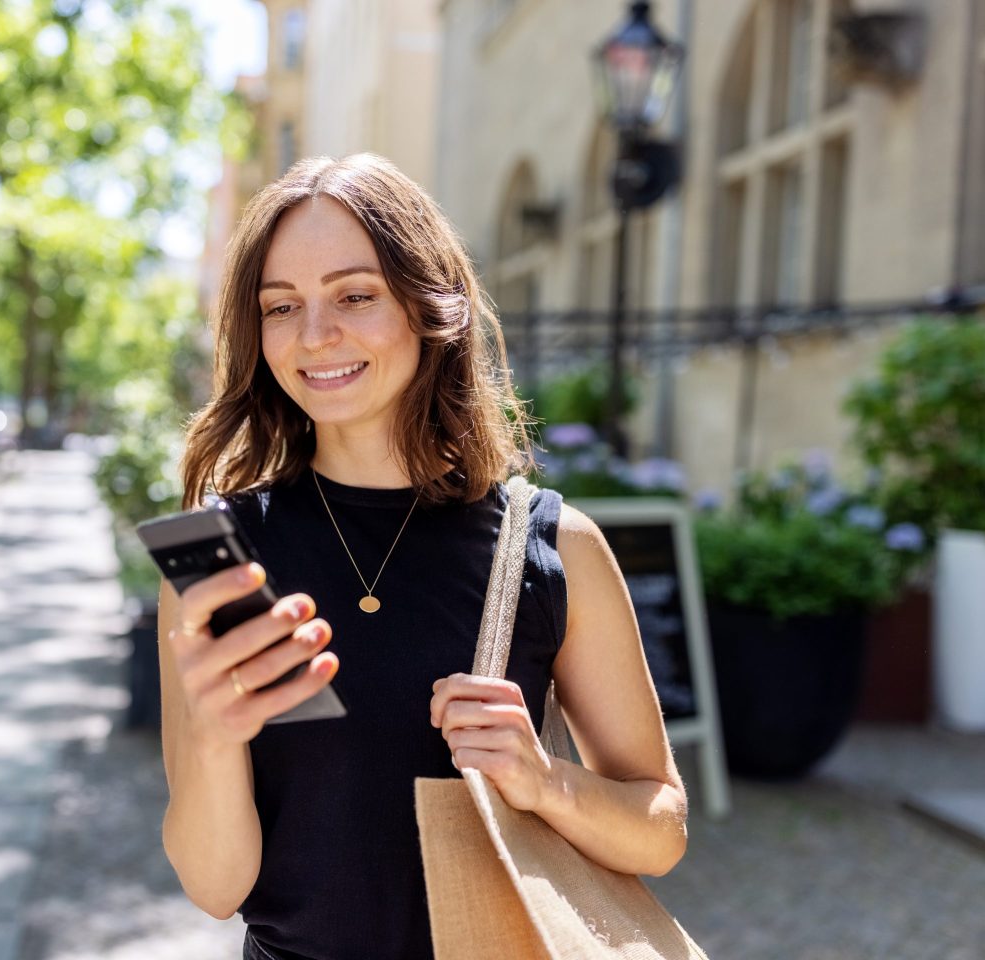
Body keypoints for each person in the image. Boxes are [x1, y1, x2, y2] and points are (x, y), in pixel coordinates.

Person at [158, 154, 688, 960]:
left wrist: (545, 780)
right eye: (280, 306)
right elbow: (216, 887)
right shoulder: (221, 557)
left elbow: (661, 829)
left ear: (429, 304)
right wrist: (211, 735)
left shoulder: (552, 546)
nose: (314, 334)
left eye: (356, 294)